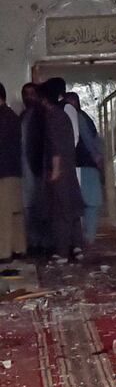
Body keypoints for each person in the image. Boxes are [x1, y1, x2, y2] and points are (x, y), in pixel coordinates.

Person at [38, 79, 83, 263]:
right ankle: (78, 247)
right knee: (71, 210)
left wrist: (54, 172)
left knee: (59, 212)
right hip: (69, 168)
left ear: (44, 98)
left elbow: (55, 147)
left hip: (60, 170)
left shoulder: (52, 116)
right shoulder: (63, 115)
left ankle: (62, 253)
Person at [65, 93, 105, 244]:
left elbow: (88, 141)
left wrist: (96, 158)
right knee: (90, 203)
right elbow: (92, 140)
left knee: (86, 203)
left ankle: (85, 238)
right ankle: (88, 237)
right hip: (86, 165)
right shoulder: (83, 117)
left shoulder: (77, 118)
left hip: (83, 164)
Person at [0, 83, 25, 262]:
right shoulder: (12, 116)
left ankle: (4, 252)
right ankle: (19, 247)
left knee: (3, 214)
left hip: (3, 171)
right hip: (14, 169)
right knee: (15, 213)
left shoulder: (1, 117)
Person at [19, 82, 44, 255]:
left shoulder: (41, 116)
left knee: (40, 206)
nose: (29, 97)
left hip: (37, 166)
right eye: (26, 94)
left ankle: (43, 243)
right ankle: (33, 243)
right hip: (23, 168)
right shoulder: (22, 116)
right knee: (28, 208)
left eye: (32, 93)